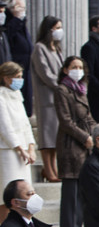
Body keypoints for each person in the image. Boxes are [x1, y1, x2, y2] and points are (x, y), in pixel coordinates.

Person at [54, 55, 96, 227]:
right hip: (71, 147)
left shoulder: (81, 91)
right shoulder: (62, 90)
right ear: (65, 69)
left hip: (85, 147)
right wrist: (84, 137)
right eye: (74, 66)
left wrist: (98, 133)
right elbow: (65, 121)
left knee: (81, 197)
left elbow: (88, 118)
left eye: (81, 66)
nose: (78, 70)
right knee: (71, 197)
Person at [0, 61, 36, 224]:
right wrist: (19, 148)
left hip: (24, 153)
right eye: (17, 77)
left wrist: (31, 147)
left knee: (24, 193)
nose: (20, 80)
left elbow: (26, 124)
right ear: (6, 78)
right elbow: (5, 126)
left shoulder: (17, 95)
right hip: (8, 151)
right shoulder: (1, 96)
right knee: (7, 195)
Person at [31, 15, 65, 183]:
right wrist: (60, 85)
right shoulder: (40, 48)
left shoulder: (57, 49)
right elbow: (44, 73)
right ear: (48, 29)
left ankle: (52, 168)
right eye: (56, 27)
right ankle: (48, 169)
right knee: (47, 136)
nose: (59, 31)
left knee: (56, 137)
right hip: (46, 98)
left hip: (58, 98)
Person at [5, 0, 33, 116]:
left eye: (23, 7)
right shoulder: (9, 22)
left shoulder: (22, 23)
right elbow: (9, 36)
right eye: (19, 7)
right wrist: (16, 19)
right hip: (15, 65)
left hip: (26, 66)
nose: (22, 10)